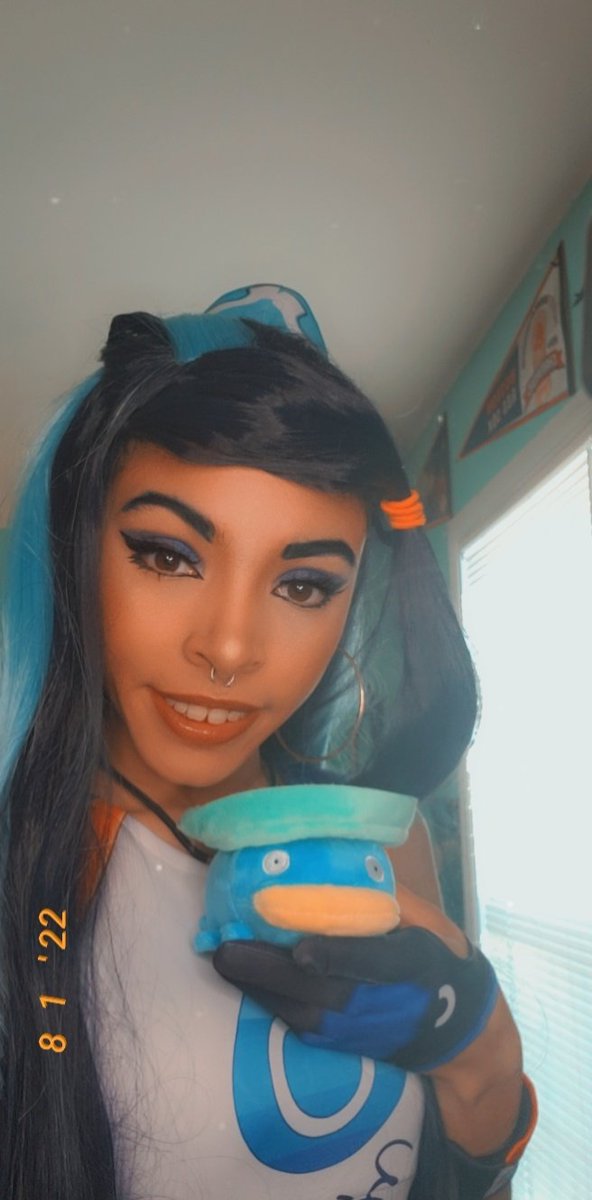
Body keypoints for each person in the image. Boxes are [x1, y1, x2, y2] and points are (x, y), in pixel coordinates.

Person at [0, 284, 536, 1199]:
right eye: (167, 555)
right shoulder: (27, 851)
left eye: (303, 585)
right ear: (75, 549)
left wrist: (478, 1047)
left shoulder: (384, 841)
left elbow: (467, 1156)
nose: (230, 648)